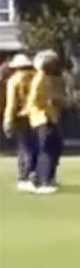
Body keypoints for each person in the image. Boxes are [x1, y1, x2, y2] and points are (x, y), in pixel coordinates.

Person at [25, 50, 67, 194]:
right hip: (43, 118)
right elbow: (34, 100)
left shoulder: (55, 78)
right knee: (46, 150)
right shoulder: (40, 78)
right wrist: (49, 102)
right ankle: (43, 181)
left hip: (52, 117)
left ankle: (46, 178)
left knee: (55, 148)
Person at [3, 53, 37, 191]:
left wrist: (7, 121)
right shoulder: (36, 77)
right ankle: (35, 174)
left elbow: (11, 103)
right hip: (36, 116)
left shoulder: (14, 80)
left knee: (23, 148)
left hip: (20, 117)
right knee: (35, 146)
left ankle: (24, 176)